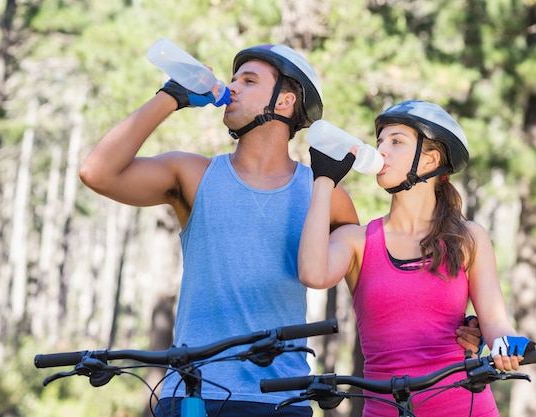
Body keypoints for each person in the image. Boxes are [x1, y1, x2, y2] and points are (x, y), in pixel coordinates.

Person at [79, 42, 483, 417]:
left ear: (286, 101)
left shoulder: (326, 195)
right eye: (233, 79)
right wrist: (170, 96)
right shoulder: (192, 174)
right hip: (192, 392)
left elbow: (376, 294)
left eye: (248, 80)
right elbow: (96, 172)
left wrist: (461, 331)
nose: (233, 87)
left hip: (284, 397)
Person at [297, 100, 534, 417]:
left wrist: (508, 343)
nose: (381, 150)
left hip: (465, 407)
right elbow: (313, 274)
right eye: (380, 141)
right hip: (384, 409)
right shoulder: (357, 240)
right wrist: (323, 180)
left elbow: (494, 320)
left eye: (396, 141)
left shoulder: (468, 237)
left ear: (430, 160)